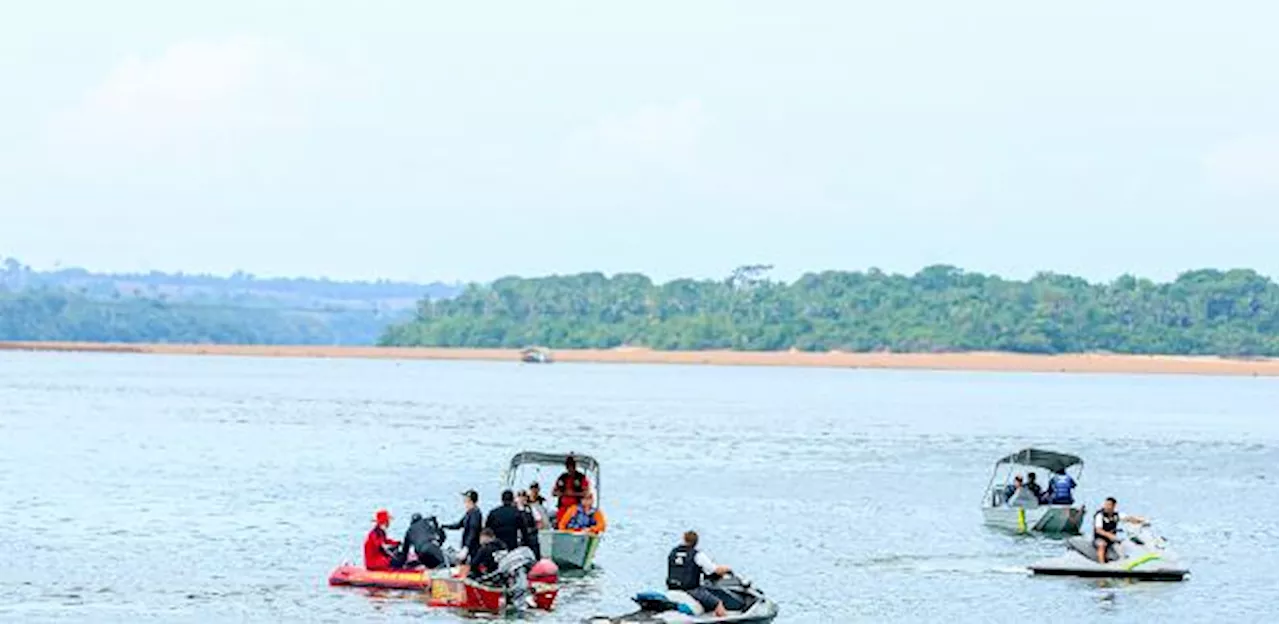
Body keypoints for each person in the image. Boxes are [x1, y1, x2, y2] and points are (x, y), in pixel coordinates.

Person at [667, 530, 732, 618]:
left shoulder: (673, 552)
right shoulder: (697, 555)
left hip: (672, 588)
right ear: (696, 542)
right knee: (718, 603)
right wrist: (727, 569)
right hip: (691, 589)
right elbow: (714, 570)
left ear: (684, 539)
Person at [1093, 497, 1147, 564]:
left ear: (1114, 506)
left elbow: (1128, 518)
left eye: (1109, 505)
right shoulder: (1100, 515)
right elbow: (1098, 530)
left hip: (1111, 539)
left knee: (1123, 546)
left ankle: (1125, 563)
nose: (1106, 507)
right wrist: (1109, 535)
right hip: (1100, 538)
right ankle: (1102, 565)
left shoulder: (1116, 515)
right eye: (1106, 504)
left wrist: (1140, 521)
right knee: (1102, 545)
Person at [486, 489, 531, 557]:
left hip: (496, 547)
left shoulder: (493, 513)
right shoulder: (517, 513)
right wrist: (527, 545)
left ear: (502, 499)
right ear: (512, 499)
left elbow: (487, 531)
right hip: (512, 547)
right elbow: (524, 532)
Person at [442, 490, 483, 562]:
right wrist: (444, 526)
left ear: (470, 500)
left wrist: (467, 547)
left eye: (466, 499)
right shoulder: (469, 513)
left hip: (472, 546)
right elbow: (459, 525)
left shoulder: (475, 514)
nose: (464, 502)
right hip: (467, 544)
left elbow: (473, 530)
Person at [552, 456, 591, 521]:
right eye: (568, 465)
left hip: (576, 507)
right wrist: (563, 493)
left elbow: (586, 493)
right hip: (563, 507)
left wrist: (573, 494)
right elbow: (554, 492)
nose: (570, 468)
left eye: (572, 465)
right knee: (561, 523)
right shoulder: (562, 477)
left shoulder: (581, 477)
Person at [516, 490, 542, 558]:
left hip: (531, 535)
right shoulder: (515, 510)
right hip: (519, 536)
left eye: (524, 496)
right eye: (520, 496)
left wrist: (536, 529)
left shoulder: (531, 508)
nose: (522, 498)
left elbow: (539, 521)